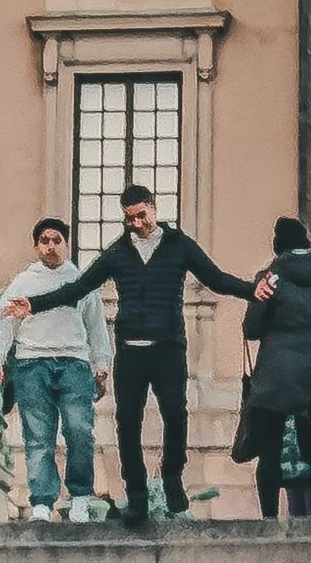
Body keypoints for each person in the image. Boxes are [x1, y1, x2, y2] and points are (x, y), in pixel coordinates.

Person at [27, 184, 258, 530]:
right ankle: (136, 496)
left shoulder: (179, 245)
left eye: (141, 216)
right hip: (131, 350)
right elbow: (78, 288)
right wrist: (34, 304)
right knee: (127, 424)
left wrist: (253, 290)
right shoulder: (118, 253)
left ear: (153, 208)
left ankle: (171, 478)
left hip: (168, 347)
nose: (137, 223)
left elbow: (215, 278)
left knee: (176, 415)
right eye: (130, 218)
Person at [0, 220, 112, 523]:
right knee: (38, 437)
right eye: (44, 240)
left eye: (56, 240)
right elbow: (4, 322)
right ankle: (42, 500)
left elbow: (97, 327)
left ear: (66, 244)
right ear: (36, 246)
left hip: (74, 363)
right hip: (32, 364)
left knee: (79, 431)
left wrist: (102, 366)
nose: (50, 246)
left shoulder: (81, 281)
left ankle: (80, 496)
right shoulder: (23, 283)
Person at [240, 217, 311, 521]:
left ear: (278, 244)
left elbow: (252, 328)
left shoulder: (270, 278)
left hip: (275, 375)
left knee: (270, 452)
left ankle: (269, 522)